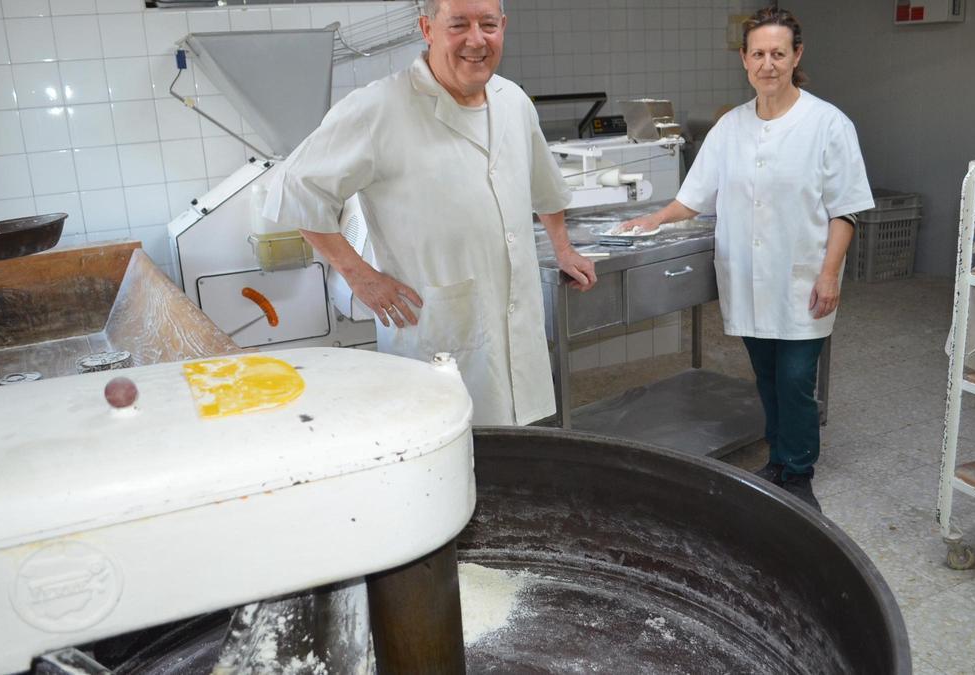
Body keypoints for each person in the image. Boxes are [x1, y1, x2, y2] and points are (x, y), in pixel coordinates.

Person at [262, 0, 597, 426]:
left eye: (488, 25)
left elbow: (544, 184)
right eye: (458, 24)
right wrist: (359, 275)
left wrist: (563, 249)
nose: (476, 39)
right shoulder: (379, 107)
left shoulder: (513, 100)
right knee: (447, 457)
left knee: (520, 455)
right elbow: (295, 189)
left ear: (503, 27)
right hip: (436, 329)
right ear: (428, 28)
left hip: (514, 321)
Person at [621, 7, 873, 510]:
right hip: (749, 279)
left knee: (797, 378)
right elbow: (695, 196)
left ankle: (798, 471)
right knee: (766, 375)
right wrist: (652, 220)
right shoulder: (730, 126)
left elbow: (846, 211)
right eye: (758, 53)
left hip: (804, 276)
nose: (768, 64)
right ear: (744, 59)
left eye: (778, 53)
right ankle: (778, 460)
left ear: (796, 56)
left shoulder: (827, 124)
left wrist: (829, 275)